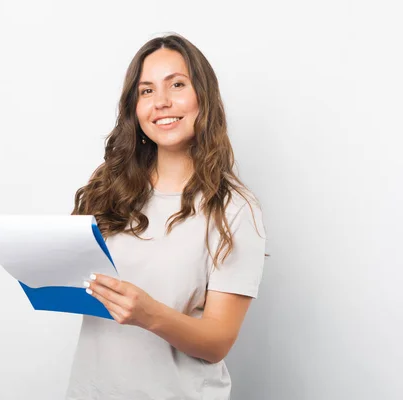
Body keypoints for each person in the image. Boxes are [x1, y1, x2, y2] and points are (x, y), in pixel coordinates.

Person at [65, 33, 267, 400]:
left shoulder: (233, 208)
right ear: (134, 107)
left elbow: (217, 342)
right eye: (146, 91)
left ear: (203, 97)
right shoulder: (111, 190)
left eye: (176, 85)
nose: (161, 102)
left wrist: (149, 314)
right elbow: (76, 280)